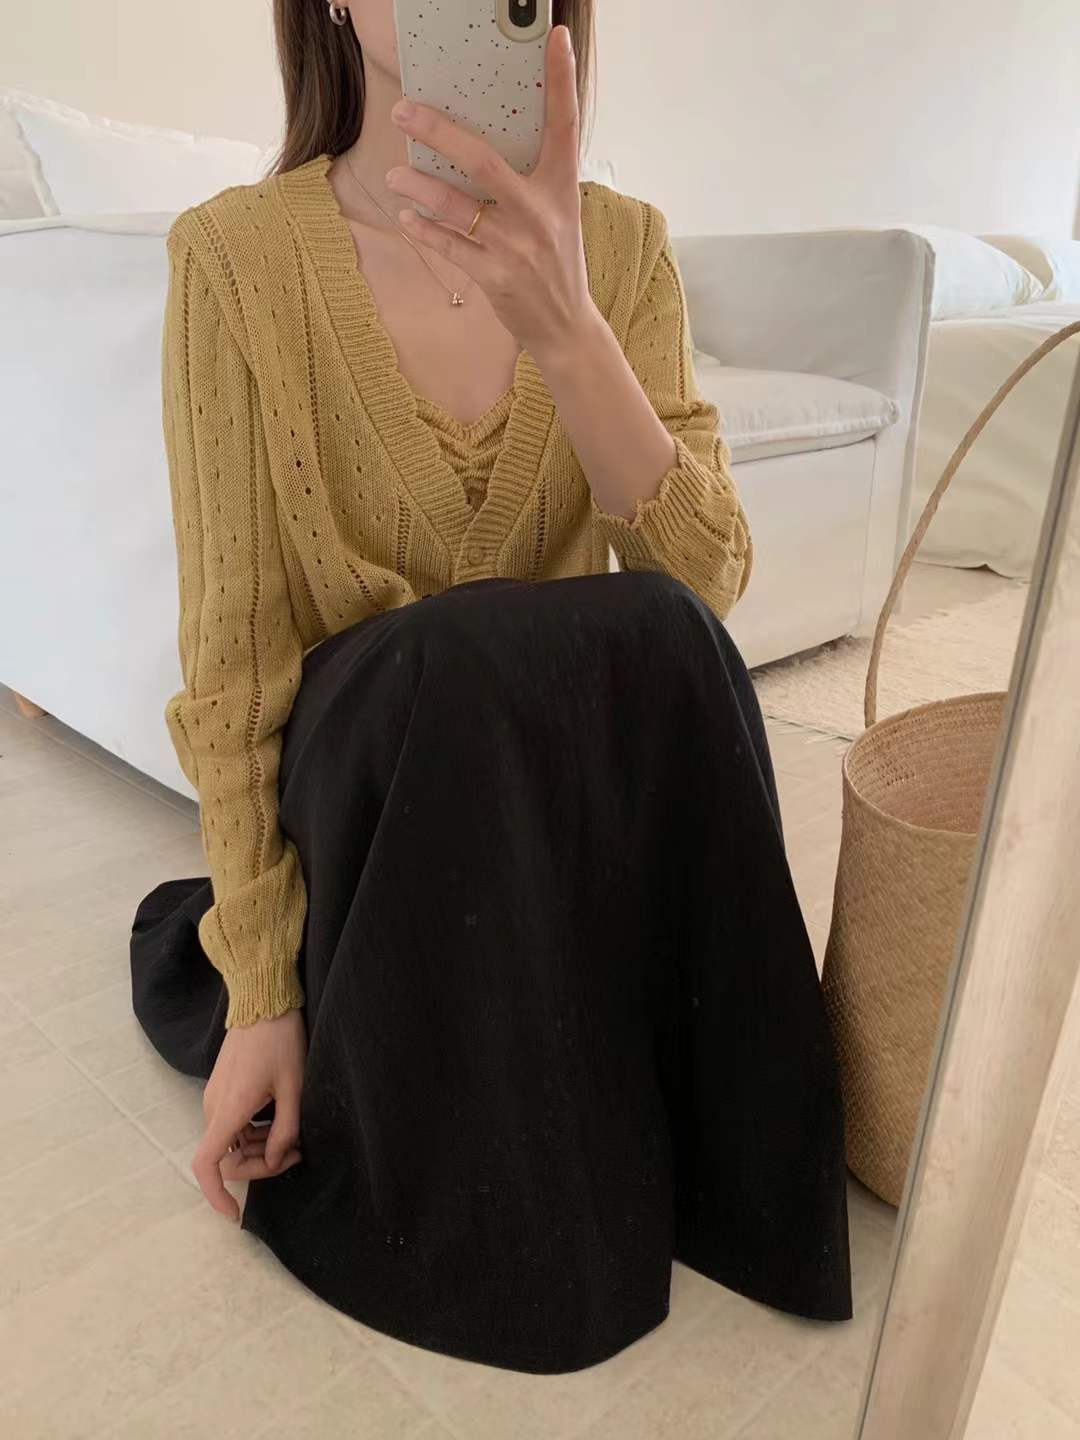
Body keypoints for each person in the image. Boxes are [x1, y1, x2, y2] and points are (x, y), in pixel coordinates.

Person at [130, 0, 852, 1375]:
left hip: (545, 807)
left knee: (658, 629)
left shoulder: (620, 244)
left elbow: (707, 585)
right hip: (378, 785)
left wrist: (568, 327)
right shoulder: (235, 256)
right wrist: (264, 1000)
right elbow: (233, 664)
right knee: (455, 651)